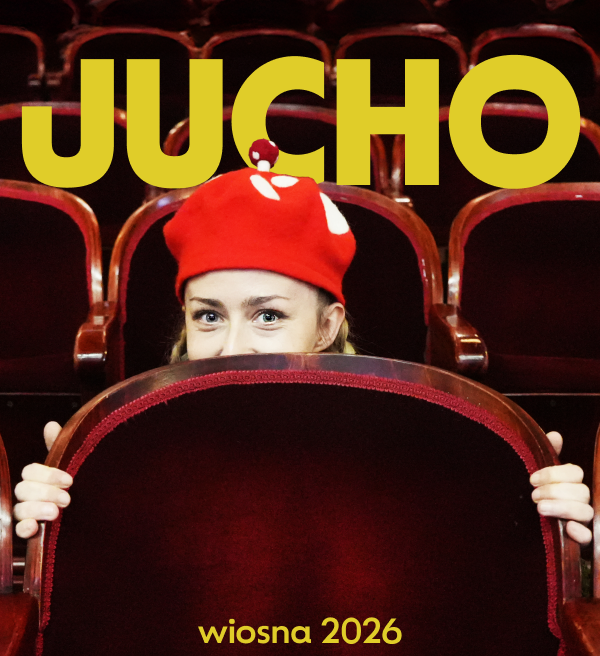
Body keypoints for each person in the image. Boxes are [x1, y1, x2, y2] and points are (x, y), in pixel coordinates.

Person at [13, 140, 593, 545]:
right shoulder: (133, 441)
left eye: (267, 315)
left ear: (327, 326)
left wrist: (540, 520)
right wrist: (68, 518)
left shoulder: (407, 443)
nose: (231, 346)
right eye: (208, 316)